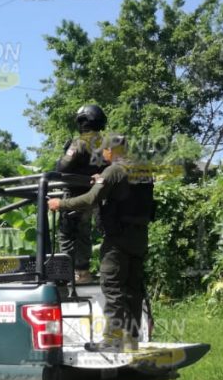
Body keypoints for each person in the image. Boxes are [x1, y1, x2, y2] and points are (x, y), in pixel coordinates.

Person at [48, 134, 155, 352]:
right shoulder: (142, 170)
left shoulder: (114, 170)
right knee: (133, 289)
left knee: (112, 287)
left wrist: (61, 203)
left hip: (117, 240)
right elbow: (126, 193)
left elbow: (89, 200)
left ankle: (111, 340)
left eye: (104, 152)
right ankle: (131, 339)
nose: (103, 156)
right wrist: (102, 179)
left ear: (110, 151)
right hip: (139, 238)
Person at [56, 104, 108, 283]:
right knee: (83, 234)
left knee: (67, 234)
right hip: (92, 197)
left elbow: (62, 167)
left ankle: (68, 274)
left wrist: (63, 154)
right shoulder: (104, 144)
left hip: (74, 196)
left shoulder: (80, 143)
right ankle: (83, 272)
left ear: (83, 121)